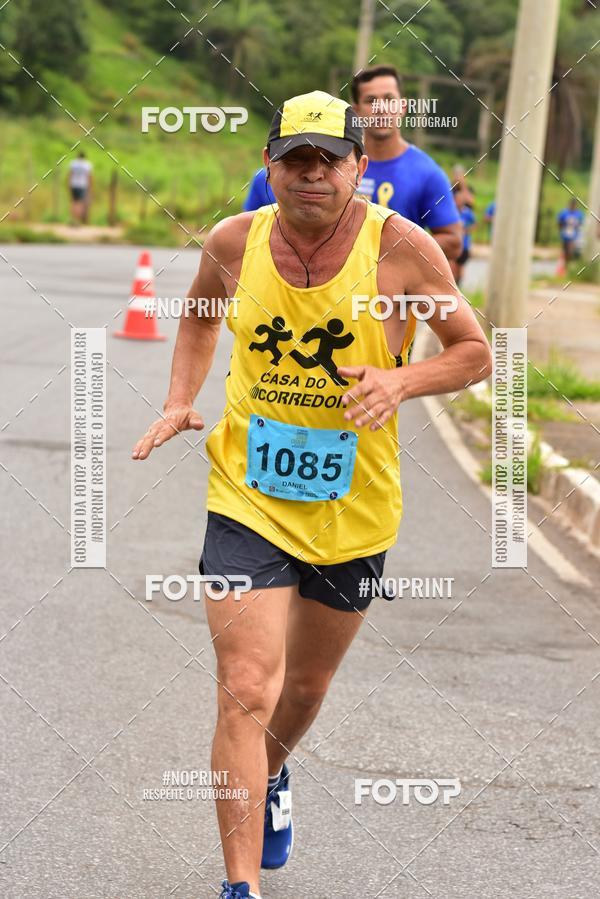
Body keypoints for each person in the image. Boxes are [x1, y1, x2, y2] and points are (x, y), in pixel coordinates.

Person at [132, 90, 491, 899]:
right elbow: (197, 316)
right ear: (270, 165)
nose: (312, 174)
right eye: (295, 159)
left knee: (302, 689)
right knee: (248, 684)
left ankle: (274, 773)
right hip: (247, 490)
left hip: (354, 502)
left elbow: (473, 353)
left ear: (361, 168)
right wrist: (178, 397)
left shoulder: (401, 251)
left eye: (330, 159)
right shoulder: (234, 240)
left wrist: (401, 379)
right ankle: (239, 885)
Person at [244, 65, 461, 263]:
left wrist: (383, 254)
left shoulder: (428, 173)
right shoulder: (275, 176)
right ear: (355, 110)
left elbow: (453, 242)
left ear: (403, 106)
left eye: (389, 99)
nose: (381, 109)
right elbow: (249, 238)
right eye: (371, 101)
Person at [450, 185, 477, 287]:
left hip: (464, 245)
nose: (459, 201)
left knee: (460, 268)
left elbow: (475, 225)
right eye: (457, 199)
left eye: (461, 199)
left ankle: (459, 288)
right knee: (451, 267)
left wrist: (465, 230)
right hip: (453, 244)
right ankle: (452, 287)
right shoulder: (451, 212)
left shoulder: (468, 213)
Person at [68, 151, 93, 224]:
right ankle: (77, 220)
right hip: (82, 185)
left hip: (73, 184)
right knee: (80, 203)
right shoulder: (87, 164)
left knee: (73, 202)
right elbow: (89, 176)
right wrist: (90, 187)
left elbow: (70, 174)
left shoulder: (73, 163)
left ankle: (72, 218)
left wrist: (69, 184)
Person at [557, 198, 584, 264]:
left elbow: (581, 224)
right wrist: (562, 229)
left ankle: (569, 262)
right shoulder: (564, 212)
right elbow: (559, 222)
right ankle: (565, 263)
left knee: (571, 249)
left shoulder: (579, 214)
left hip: (574, 235)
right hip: (565, 234)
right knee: (565, 249)